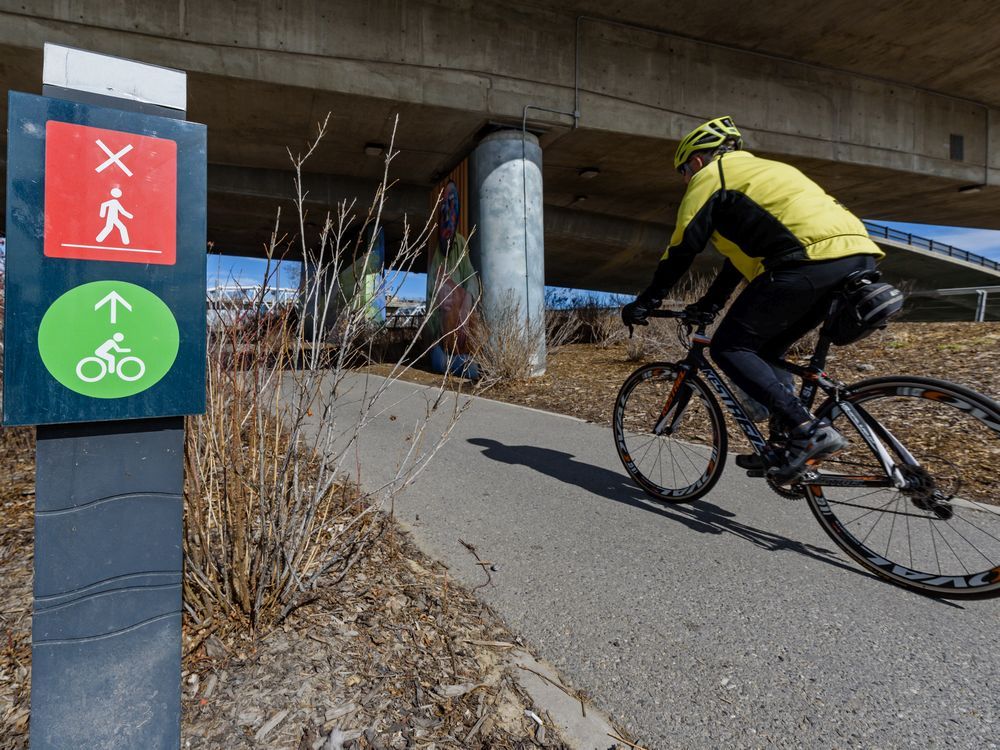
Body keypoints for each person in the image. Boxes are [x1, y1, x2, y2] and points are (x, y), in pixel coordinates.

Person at [621, 116, 884, 483]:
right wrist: (712, 302)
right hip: (857, 257)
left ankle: (807, 431)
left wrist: (646, 301)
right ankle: (786, 443)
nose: (685, 178)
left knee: (728, 347)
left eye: (684, 170)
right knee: (762, 349)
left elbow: (682, 248)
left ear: (696, 161)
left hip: (806, 261)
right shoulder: (768, 173)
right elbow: (739, 263)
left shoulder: (711, 176)